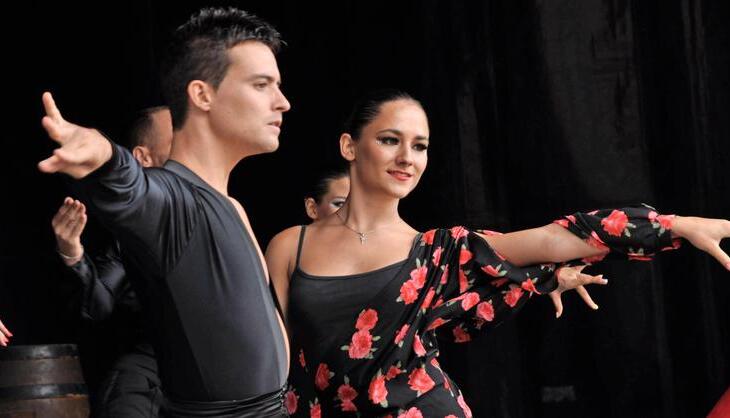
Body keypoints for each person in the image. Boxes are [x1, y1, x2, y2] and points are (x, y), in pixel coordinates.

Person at [265, 90, 730, 417]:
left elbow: (554, 238)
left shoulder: (438, 251)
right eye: (390, 139)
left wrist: (676, 226)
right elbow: (269, 364)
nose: (407, 156)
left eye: (420, 146)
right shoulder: (290, 245)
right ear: (350, 145)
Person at [38, 7, 291, 417]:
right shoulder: (175, 201)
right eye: (262, 85)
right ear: (202, 95)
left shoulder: (229, 205)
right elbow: (131, 186)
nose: (283, 102)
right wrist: (102, 153)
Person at [51, 106, 172, 417]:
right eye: (176, 136)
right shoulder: (132, 232)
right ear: (142, 157)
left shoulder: (222, 213)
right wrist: (73, 253)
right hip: (148, 382)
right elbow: (98, 306)